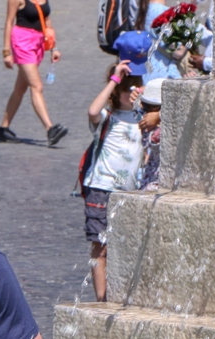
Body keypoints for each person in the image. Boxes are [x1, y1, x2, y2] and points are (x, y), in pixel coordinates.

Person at [82, 55, 145, 303]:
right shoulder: (108, 117)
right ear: (117, 90)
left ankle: (119, 292)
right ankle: (101, 297)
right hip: (101, 186)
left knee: (123, 245)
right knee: (100, 245)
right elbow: (92, 111)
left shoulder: (143, 119)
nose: (133, 92)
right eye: (128, 87)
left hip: (129, 192)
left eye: (137, 85)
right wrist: (114, 78)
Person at [0, 0, 67, 146]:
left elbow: (46, 19)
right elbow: (9, 22)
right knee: (36, 86)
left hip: (38, 43)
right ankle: (50, 129)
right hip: (22, 42)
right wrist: (6, 52)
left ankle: (3, 129)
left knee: (20, 89)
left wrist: (54, 47)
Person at [137, 78, 162, 191]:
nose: (146, 112)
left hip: (154, 184)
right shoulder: (153, 130)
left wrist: (159, 116)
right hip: (154, 184)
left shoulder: (155, 129)